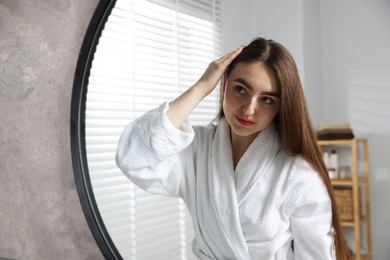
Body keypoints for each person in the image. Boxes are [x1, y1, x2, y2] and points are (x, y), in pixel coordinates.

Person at [116, 37, 349, 259]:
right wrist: (200, 87)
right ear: (224, 84)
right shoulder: (196, 149)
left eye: (266, 99)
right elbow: (133, 157)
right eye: (241, 89)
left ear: (281, 106)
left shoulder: (297, 174)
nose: (248, 109)